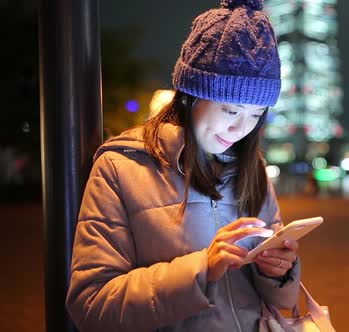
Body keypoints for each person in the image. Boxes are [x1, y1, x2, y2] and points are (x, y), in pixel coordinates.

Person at [66, 1, 302, 330]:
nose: (241, 129)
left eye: (256, 115)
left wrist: (277, 272)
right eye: (231, 110)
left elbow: (284, 303)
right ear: (190, 94)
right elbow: (91, 305)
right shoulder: (121, 168)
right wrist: (202, 269)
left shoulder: (252, 167)